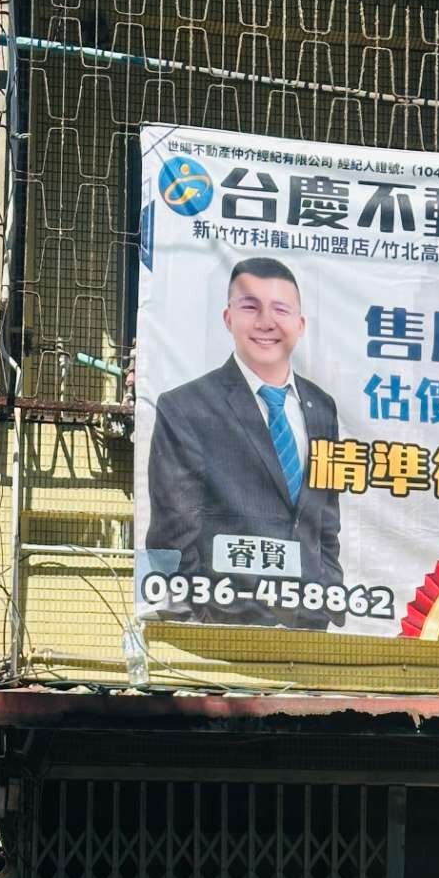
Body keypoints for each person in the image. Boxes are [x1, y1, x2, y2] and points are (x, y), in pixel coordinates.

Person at [145, 257, 343, 626]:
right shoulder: (187, 407)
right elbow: (172, 530)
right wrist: (199, 620)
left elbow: (326, 518)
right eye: (251, 307)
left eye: (280, 310)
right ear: (228, 318)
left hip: (307, 624)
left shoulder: (322, 407)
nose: (266, 322)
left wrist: (328, 597)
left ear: (300, 325)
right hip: (224, 623)